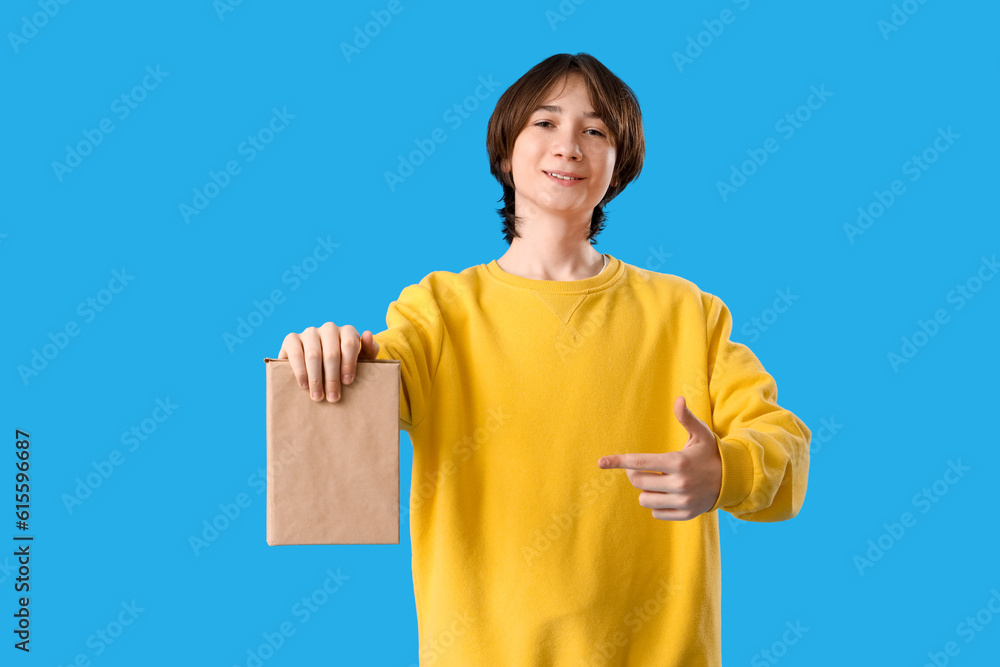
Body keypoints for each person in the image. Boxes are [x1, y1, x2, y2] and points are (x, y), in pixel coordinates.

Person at [278, 52, 811, 667]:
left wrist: (728, 469)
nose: (570, 145)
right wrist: (327, 355)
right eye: (546, 123)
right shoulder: (438, 312)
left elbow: (787, 450)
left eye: (596, 130)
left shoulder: (687, 313)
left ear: (621, 165)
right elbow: (360, 394)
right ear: (505, 150)